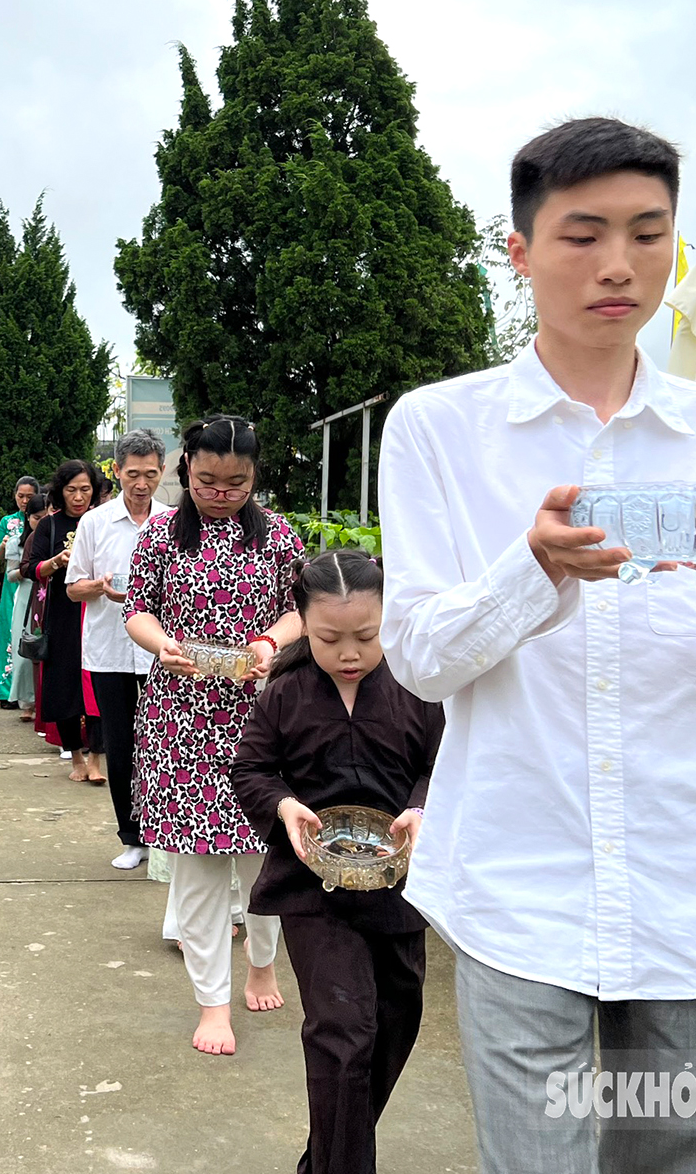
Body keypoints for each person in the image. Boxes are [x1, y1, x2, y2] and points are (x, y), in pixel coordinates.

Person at [379, 117, 696, 1174]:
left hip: (694, 877)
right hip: (516, 876)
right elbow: (415, 655)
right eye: (581, 234)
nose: (617, 265)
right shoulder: (436, 429)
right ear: (519, 249)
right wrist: (530, 569)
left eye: (647, 233)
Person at [232, 550, 442, 1174]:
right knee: (343, 1034)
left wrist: (423, 808)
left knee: (396, 1022)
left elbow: (445, 764)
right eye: (329, 638)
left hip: (398, 888)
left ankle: (324, 1159)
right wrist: (285, 805)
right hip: (312, 888)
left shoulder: (417, 688)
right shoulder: (286, 695)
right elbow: (250, 770)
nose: (349, 653)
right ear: (301, 622)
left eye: (366, 637)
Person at [123, 414, 305, 1056]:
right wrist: (164, 644)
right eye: (207, 481)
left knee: (267, 858)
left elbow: (300, 611)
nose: (221, 493)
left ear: (255, 478)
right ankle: (211, 1002)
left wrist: (269, 642)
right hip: (180, 723)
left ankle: (261, 961)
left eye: (236, 483)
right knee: (198, 870)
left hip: (263, 718)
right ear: (185, 472)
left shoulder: (279, 537)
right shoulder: (160, 537)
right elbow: (136, 611)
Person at [67, 430, 169, 868]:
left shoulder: (175, 521)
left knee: (163, 746)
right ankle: (132, 837)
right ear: (117, 472)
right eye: (133, 474)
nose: (141, 483)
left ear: (163, 472)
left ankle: (167, 836)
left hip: (163, 652)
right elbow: (73, 588)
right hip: (110, 650)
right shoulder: (94, 522)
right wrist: (99, 588)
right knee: (120, 744)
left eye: (150, 474)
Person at [23, 459, 102, 779]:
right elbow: (30, 568)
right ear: (61, 491)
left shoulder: (102, 522)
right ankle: (77, 760)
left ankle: (97, 758)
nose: (79, 496)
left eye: (85, 489)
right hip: (63, 614)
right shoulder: (50, 525)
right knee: (65, 685)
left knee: (100, 683)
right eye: (72, 490)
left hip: (99, 612)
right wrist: (56, 561)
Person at [0, 475, 42, 709]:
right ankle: (6, 692)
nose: (24, 501)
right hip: (13, 585)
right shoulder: (7, 522)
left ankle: (29, 693)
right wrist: (3, 546)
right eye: (20, 496)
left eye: (29, 496)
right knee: (8, 636)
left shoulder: (42, 519)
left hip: (35, 585)